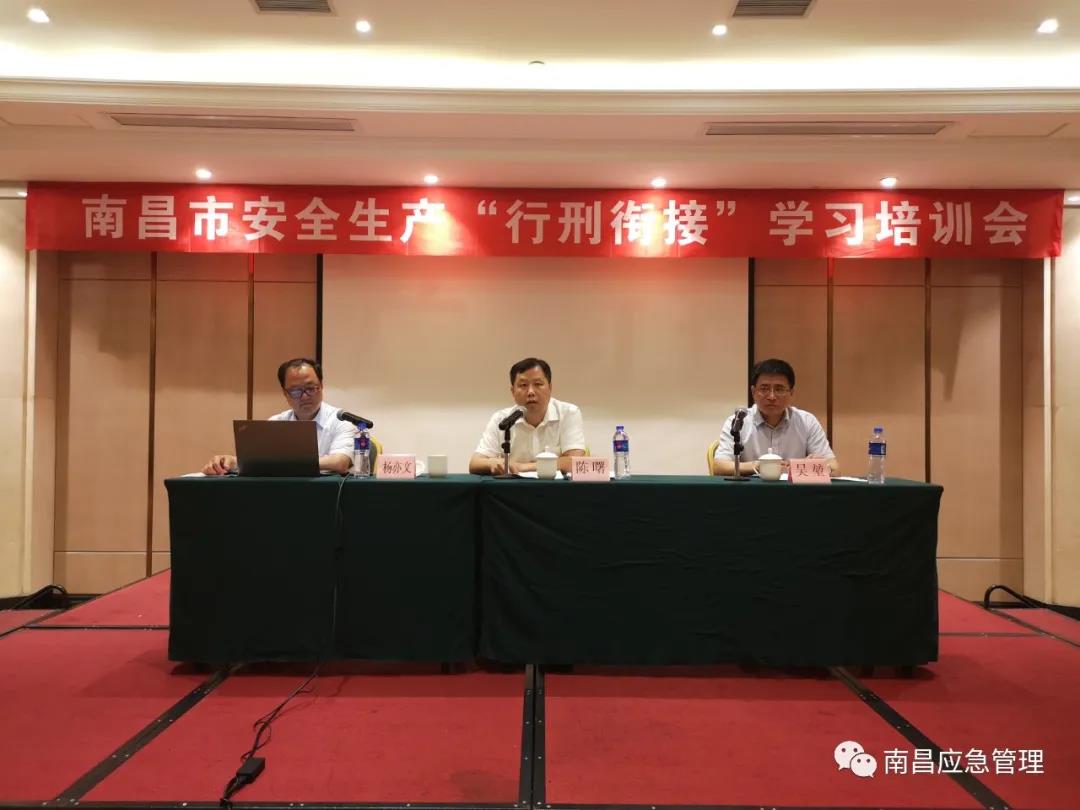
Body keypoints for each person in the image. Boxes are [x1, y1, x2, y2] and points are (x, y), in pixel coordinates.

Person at [202, 357, 356, 475]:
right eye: (295, 391)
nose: (304, 396)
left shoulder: (342, 421)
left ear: (321, 386)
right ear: (285, 393)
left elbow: (340, 462)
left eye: (310, 388)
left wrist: (284, 463)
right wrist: (230, 462)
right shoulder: (275, 423)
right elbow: (256, 461)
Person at [713, 358, 839, 476]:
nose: (772, 396)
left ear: (791, 392)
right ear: (753, 392)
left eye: (779, 389)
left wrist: (804, 466)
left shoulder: (806, 421)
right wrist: (759, 466)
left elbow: (834, 468)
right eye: (764, 389)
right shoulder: (738, 421)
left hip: (795, 491)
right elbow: (719, 466)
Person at [469, 357, 586, 476]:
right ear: (513, 391)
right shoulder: (502, 419)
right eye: (523, 385)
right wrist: (492, 463)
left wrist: (521, 467)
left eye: (538, 384)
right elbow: (475, 463)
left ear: (550, 388)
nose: (530, 392)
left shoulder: (568, 413)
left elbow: (575, 461)